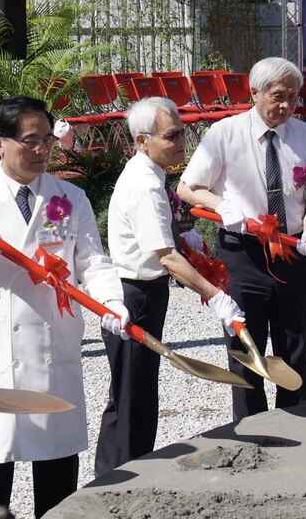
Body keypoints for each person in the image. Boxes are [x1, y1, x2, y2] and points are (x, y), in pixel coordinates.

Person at [0, 96, 127, 517]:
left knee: (58, 474)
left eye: (47, 140)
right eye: (30, 141)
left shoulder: (70, 197)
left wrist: (111, 302)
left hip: (52, 346)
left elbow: (92, 261)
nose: (42, 150)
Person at [96, 97, 245, 476]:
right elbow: (166, 258)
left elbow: (169, 244)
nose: (181, 143)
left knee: (136, 391)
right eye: (172, 135)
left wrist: (186, 238)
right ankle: (121, 479)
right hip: (134, 295)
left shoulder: (149, 175)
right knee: (132, 397)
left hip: (144, 291)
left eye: (183, 133)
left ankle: (121, 471)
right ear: (142, 141)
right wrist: (217, 297)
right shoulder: (146, 186)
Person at [177, 58, 306, 419]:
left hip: (292, 251)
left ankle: (299, 422)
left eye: (293, 98)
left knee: (295, 345)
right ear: (255, 93)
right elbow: (187, 187)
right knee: (246, 346)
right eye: (278, 97)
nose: (286, 106)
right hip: (241, 253)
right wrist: (222, 204)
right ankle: (252, 430)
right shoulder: (224, 133)